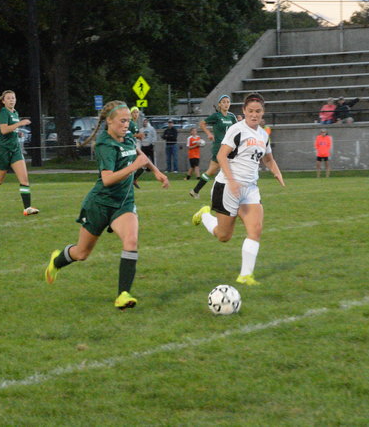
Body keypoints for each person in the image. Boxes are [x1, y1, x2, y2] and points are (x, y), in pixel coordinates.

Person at [44, 100, 169, 309]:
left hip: (124, 203)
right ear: (109, 122)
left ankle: (123, 295)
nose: (126, 125)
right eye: (122, 121)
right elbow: (108, 179)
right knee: (82, 253)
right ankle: (57, 260)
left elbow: (138, 153)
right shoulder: (105, 145)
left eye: (128, 121)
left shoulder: (126, 134)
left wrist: (156, 171)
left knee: (131, 241)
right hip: (100, 204)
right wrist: (135, 167)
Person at [192, 92, 285, 286]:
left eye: (258, 111)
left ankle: (245, 275)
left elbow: (268, 158)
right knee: (223, 236)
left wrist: (277, 172)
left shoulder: (263, 134)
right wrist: (232, 180)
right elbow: (221, 155)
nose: (254, 114)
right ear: (244, 111)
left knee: (255, 229)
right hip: (227, 187)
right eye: (250, 111)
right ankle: (205, 215)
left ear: (263, 112)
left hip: (250, 189)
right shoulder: (237, 129)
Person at [0, 90, 39, 215]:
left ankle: (27, 208)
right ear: (3, 101)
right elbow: (4, 130)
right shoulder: (3, 112)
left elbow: (11, 129)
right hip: (3, 150)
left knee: (24, 180)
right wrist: (20, 124)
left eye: (13, 98)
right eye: (9, 98)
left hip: (15, 150)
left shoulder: (15, 112)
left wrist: (17, 132)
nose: (11, 100)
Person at [189, 95, 238, 198]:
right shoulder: (216, 116)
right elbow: (202, 123)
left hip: (229, 147)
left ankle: (195, 191)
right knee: (226, 170)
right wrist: (209, 134)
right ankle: (227, 193)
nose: (226, 104)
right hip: (219, 147)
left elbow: (237, 129)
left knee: (212, 171)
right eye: (223, 102)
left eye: (228, 102)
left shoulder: (232, 116)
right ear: (219, 104)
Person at [129, 106, 147, 188]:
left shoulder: (135, 124)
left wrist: (139, 136)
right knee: (140, 163)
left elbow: (134, 135)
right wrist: (137, 135)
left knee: (143, 164)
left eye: (137, 112)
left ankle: (134, 179)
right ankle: (131, 180)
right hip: (129, 147)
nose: (135, 114)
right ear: (130, 113)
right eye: (134, 112)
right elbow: (126, 134)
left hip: (134, 146)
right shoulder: (130, 123)